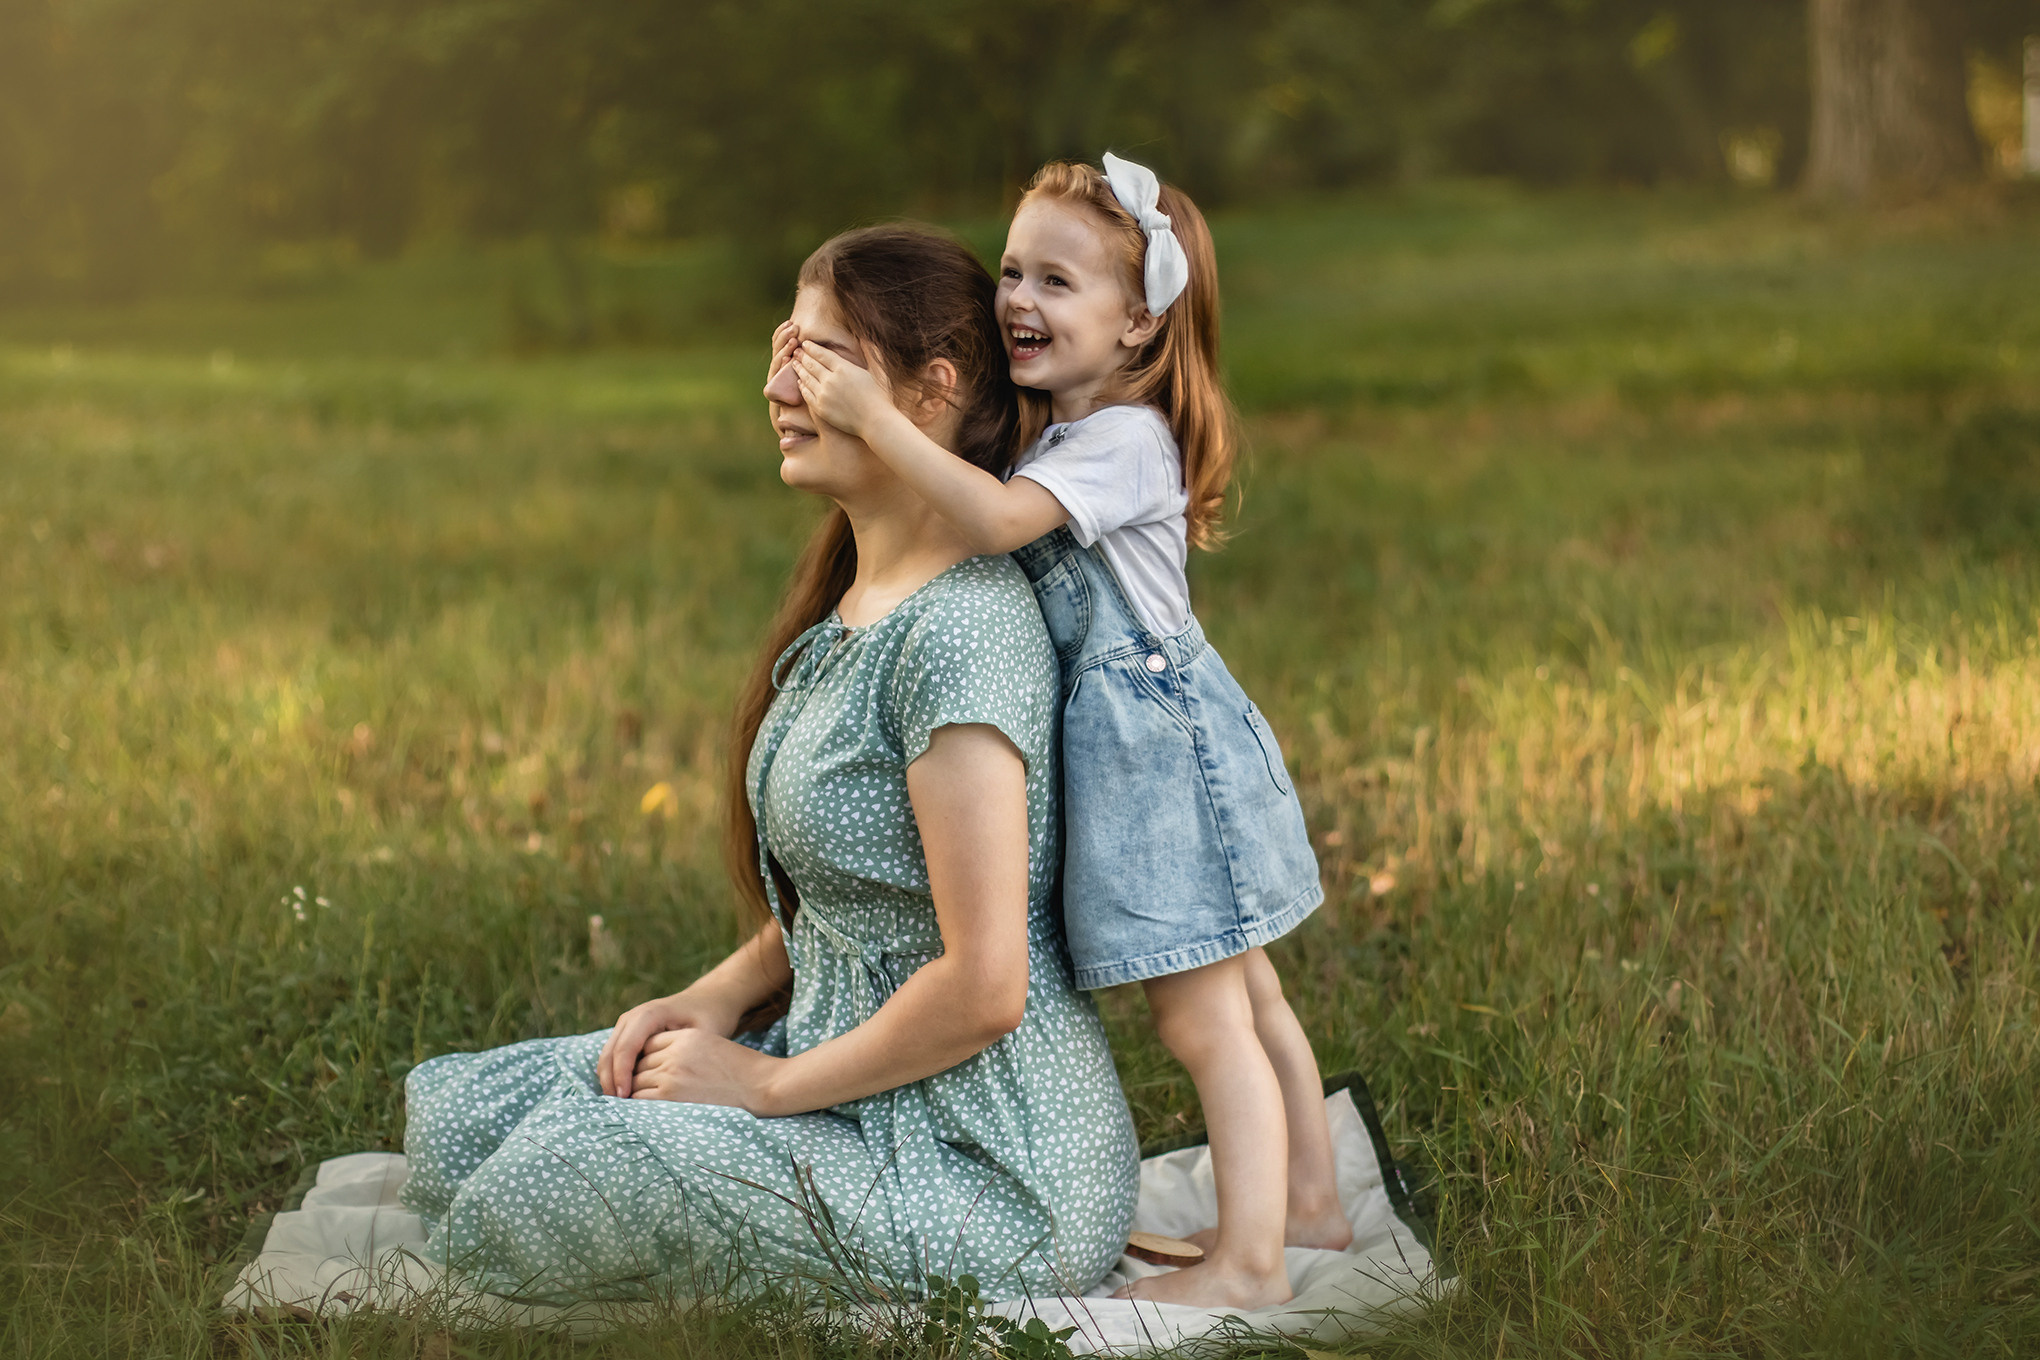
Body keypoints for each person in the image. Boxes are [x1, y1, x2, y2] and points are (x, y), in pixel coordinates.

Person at [396, 224, 1140, 1306]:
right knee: (455, 1116)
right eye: (783, 345)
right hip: (847, 1071)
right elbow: (855, 895)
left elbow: (987, 987)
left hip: (986, 1163)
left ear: (927, 393)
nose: (774, 383)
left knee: (528, 1198)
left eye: (817, 356)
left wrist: (760, 1085)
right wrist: (707, 1001)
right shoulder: (859, 602)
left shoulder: (963, 633)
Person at [791, 153, 1348, 1309]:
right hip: (1159, 747)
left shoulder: (1123, 443)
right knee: (1250, 993)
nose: (1019, 303)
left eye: (1058, 281)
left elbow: (993, 524)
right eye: (1011, 272)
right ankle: (1311, 1206)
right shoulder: (1072, 433)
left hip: (1162, 759)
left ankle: (1252, 1261)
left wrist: (872, 415)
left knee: (1203, 1015)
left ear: (1140, 323)